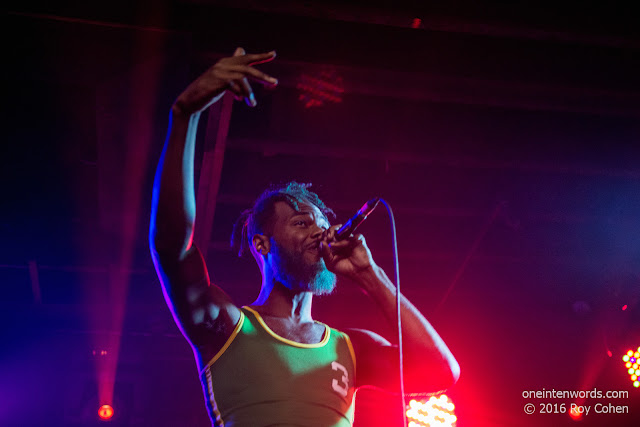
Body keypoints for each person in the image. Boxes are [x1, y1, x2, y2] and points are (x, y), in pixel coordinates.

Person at [149, 47, 460, 426]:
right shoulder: (228, 326)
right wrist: (184, 116)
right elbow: (172, 246)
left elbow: (440, 372)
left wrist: (369, 274)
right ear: (261, 244)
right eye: (300, 223)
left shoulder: (349, 347)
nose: (317, 232)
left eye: (318, 223)